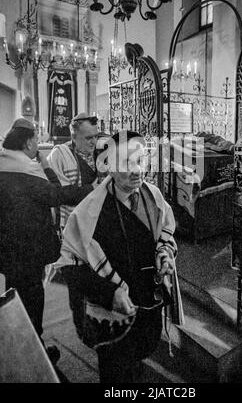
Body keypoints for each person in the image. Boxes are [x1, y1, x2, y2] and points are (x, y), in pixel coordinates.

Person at [52, 130, 184, 383]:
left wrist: (164, 253)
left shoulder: (152, 196)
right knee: (116, 374)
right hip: (112, 318)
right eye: (125, 163)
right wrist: (109, 293)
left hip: (147, 308)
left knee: (137, 365)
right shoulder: (87, 213)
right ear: (108, 167)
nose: (136, 171)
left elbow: (165, 233)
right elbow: (69, 265)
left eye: (140, 161)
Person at [0, 118, 94, 344]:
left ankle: (18, 340)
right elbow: (56, 194)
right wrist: (90, 188)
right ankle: (35, 345)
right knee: (32, 297)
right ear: (29, 142)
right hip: (29, 250)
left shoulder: (3, 165)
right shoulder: (28, 171)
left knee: (14, 293)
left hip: (7, 248)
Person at [47, 112, 99, 230]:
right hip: (71, 224)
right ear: (74, 137)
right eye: (89, 138)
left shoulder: (100, 154)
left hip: (97, 221)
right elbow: (59, 194)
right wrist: (93, 188)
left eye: (96, 136)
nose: (94, 142)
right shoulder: (59, 155)